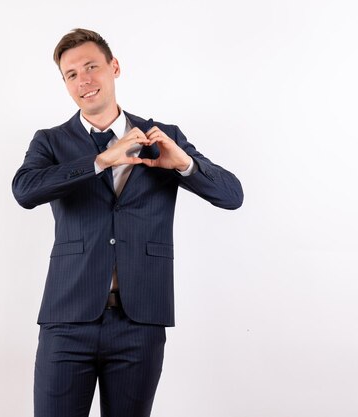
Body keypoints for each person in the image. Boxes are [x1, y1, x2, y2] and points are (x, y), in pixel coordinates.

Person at [12, 28, 243, 417]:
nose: (84, 80)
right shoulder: (50, 142)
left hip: (140, 323)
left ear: (114, 67)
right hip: (67, 321)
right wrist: (101, 160)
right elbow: (24, 190)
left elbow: (232, 196)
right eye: (71, 74)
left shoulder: (162, 138)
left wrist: (184, 165)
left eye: (91, 67)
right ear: (65, 84)